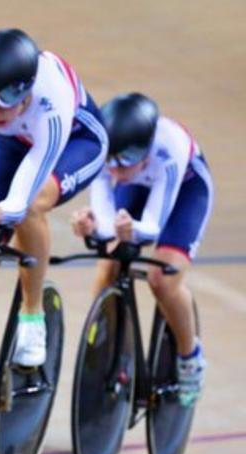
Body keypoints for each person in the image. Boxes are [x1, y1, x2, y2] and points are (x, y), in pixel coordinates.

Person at [0, 28, 108, 367]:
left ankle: (32, 317)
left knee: (31, 207)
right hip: (17, 139)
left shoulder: (53, 98)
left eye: (3, 101)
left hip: (75, 143)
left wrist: (2, 209)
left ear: (26, 91)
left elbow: (19, 199)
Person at [70, 93, 212, 406]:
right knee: (109, 261)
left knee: (162, 279)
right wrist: (92, 226)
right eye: (111, 163)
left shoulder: (169, 148)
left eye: (124, 162)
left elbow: (153, 225)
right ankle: (103, 341)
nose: (115, 172)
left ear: (145, 152)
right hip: (137, 186)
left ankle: (190, 355)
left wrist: (132, 230)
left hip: (185, 193)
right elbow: (106, 220)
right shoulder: (110, 157)